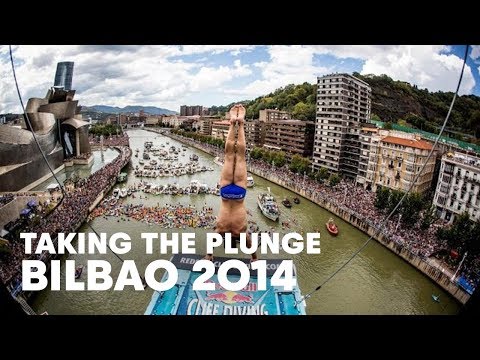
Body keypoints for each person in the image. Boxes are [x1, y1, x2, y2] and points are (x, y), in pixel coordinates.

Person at [204, 104, 257, 262]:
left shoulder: (225, 231)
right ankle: (238, 122)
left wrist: (209, 255)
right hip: (230, 192)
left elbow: (248, 244)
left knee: (232, 155)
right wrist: (254, 258)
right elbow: (248, 244)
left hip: (234, 193)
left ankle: (237, 122)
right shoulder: (231, 231)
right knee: (234, 155)